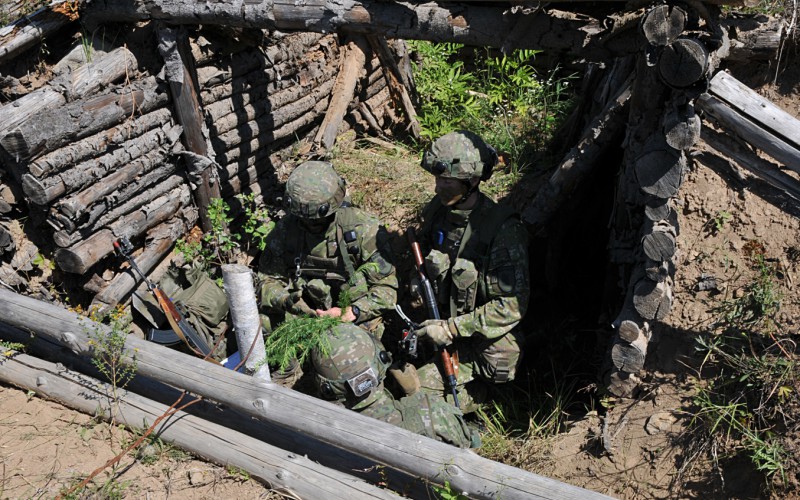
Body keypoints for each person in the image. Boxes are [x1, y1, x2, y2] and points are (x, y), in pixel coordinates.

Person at [410, 130, 530, 413]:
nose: (439, 187)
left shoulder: (502, 231)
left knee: (419, 397)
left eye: (447, 182)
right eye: (437, 179)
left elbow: (512, 305)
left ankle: (483, 396)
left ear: (472, 182)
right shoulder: (438, 211)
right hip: (440, 322)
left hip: (477, 339)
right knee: (409, 388)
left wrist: (452, 329)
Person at [257, 161, 398, 336]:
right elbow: (267, 280)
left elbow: (387, 289)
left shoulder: (362, 229)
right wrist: (285, 300)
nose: (311, 223)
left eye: (317, 218)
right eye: (305, 218)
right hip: (304, 314)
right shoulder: (286, 230)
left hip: (350, 316)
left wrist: (352, 311)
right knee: (259, 326)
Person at [311, 322, 480, 448]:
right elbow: (470, 447)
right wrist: (416, 396)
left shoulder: (320, 432)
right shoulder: (433, 412)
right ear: (382, 360)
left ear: (326, 387)